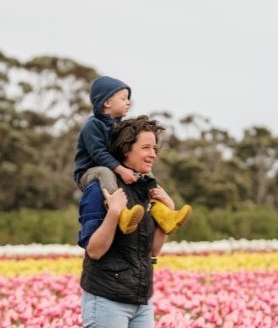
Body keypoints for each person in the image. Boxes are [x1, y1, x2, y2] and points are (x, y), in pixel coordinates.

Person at [77, 115, 175, 328]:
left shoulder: (146, 188)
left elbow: (153, 250)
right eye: (146, 147)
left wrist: (166, 215)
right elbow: (94, 249)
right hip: (106, 299)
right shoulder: (101, 190)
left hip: (141, 299)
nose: (153, 153)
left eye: (155, 147)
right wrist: (114, 213)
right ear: (125, 150)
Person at [73, 75, 191, 235]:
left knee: (144, 171)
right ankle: (121, 214)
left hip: (111, 167)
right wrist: (122, 170)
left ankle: (164, 214)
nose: (128, 102)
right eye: (123, 98)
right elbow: (98, 154)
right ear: (107, 102)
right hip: (90, 172)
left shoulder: (120, 126)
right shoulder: (93, 125)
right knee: (105, 171)